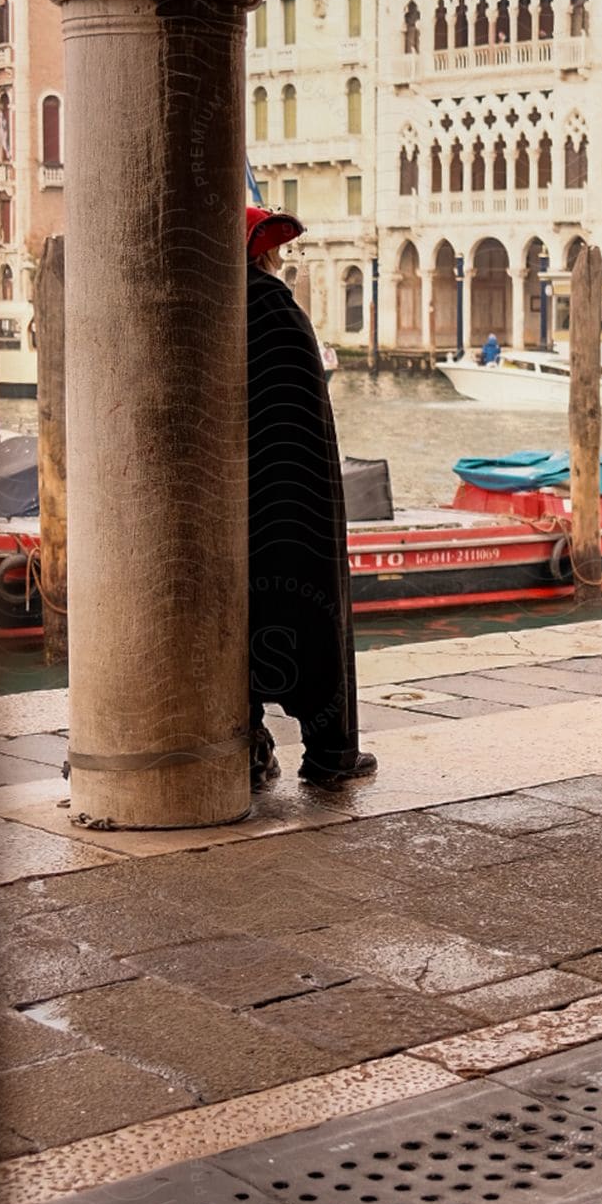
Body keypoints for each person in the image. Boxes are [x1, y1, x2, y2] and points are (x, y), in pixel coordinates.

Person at [245, 204, 376, 791]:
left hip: (232, 505)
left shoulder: (199, 305)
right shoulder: (273, 305)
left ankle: (246, 745)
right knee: (310, 611)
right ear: (263, 252)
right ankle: (329, 754)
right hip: (293, 504)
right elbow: (305, 419)